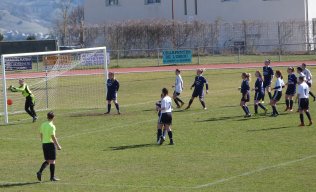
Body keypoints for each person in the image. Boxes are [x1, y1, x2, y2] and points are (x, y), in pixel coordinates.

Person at [36, 111, 62, 182]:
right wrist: (58, 145)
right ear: (53, 117)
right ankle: (52, 177)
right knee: (52, 161)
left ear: (47, 117)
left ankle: (39, 172)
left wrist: (42, 141)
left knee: (47, 160)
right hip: (50, 144)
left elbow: (41, 134)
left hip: (44, 144)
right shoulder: (52, 126)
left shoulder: (43, 124)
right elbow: (53, 136)